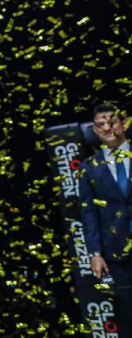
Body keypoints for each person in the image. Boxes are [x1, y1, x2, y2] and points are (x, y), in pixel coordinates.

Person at [79, 103, 131, 337]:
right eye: (101, 124)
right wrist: (95, 253)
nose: (107, 128)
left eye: (112, 121)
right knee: (126, 315)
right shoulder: (88, 168)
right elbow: (88, 214)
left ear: (123, 124)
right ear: (95, 130)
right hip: (116, 254)